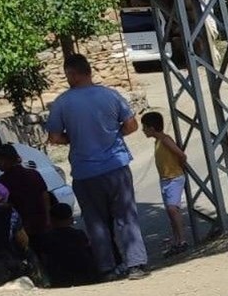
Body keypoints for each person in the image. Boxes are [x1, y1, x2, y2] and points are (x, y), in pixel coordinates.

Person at [45, 54, 150, 281]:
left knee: (96, 222)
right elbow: (132, 124)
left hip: (85, 172)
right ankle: (136, 264)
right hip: (116, 166)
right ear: (89, 71)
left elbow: (54, 137)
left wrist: (73, 138)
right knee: (126, 216)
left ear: (72, 74)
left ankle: (107, 269)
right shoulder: (111, 95)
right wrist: (114, 134)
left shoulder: (62, 103)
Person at [141, 111, 189, 256]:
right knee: (170, 211)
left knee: (173, 209)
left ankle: (182, 240)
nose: (143, 130)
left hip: (174, 177)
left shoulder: (165, 140)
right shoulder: (158, 142)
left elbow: (181, 154)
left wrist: (179, 166)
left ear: (152, 128)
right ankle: (176, 240)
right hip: (165, 179)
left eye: (145, 127)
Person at [0, 144, 50, 252]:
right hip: (41, 222)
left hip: (22, 228)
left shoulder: (2, 181)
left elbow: (4, 205)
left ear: (4, 160)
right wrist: (48, 218)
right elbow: (45, 195)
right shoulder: (33, 173)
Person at [36, 203, 99, 288]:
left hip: (60, 278)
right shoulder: (79, 234)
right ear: (71, 219)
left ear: (52, 220)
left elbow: (43, 258)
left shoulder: (46, 238)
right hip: (84, 275)